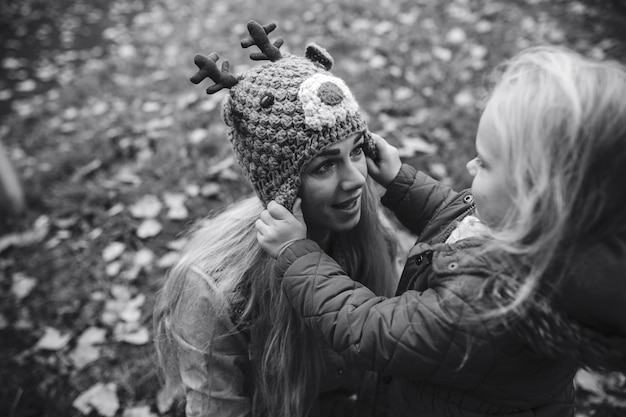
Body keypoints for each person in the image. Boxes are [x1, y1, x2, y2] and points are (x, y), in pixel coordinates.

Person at [255, 45, 626, 416]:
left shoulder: (489, 307)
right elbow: (459, 223)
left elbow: (370, 330)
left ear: (535, 198)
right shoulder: (542, 238)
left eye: (485, 162)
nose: (468, 164)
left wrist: (297, 253)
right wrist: (401, 182)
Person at [153, 21, 398, 417]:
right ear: (280, 187)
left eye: (356, 151)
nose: (357, 180)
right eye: (324, 166)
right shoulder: (215, 290)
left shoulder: (373, 236)